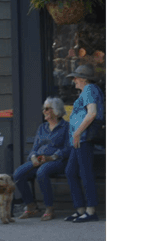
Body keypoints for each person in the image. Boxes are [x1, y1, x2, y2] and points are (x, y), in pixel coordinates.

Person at [13, 97, 71, 221]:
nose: (43, 111)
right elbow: (35, 147)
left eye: (46, 109)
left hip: (57, 161)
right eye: (43, 109)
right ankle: (31, 206)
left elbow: (67, 148)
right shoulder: (42, 127)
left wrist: (52, 157)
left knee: (42, 172)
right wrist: (33, 157)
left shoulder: (66, 127)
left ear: (55, 111)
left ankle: (49, 208)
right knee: (18, 174)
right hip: (39, 160)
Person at [64, 65, 104, 223]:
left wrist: (78, 132)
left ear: (83, 79)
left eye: (75, 78)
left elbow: (92, 113)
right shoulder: (87, 91)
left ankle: (90, 210)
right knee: (70, 171)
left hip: (83, 138)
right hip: (78, 139)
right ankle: (80, 209)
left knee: (85, 173)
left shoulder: (89, 89)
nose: (73, 81)